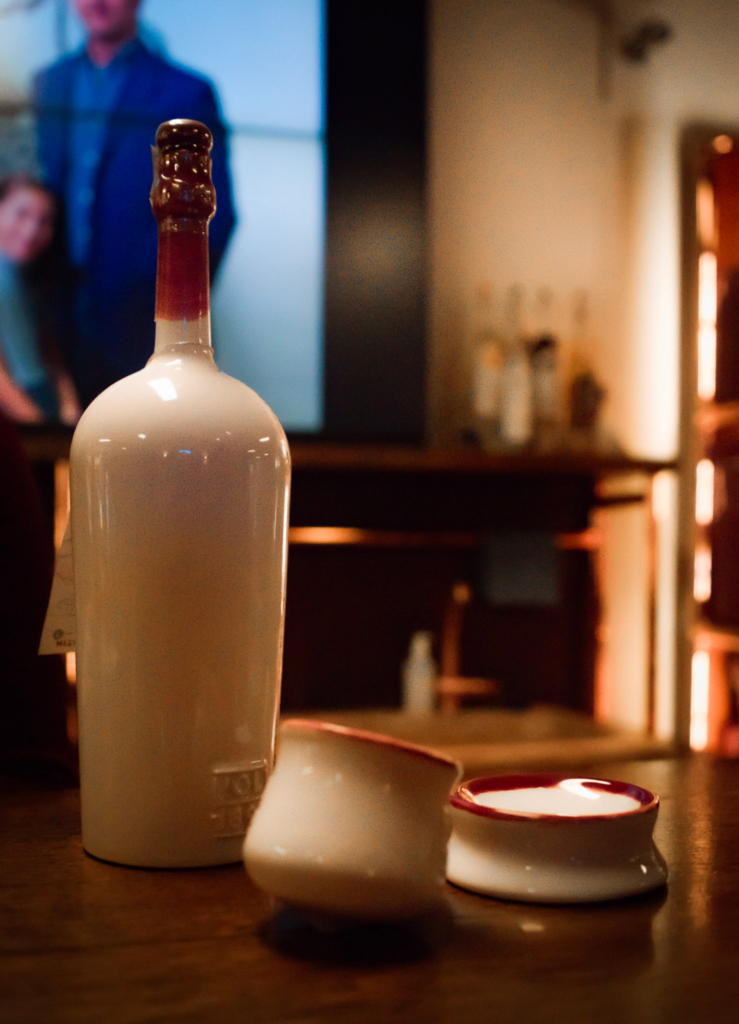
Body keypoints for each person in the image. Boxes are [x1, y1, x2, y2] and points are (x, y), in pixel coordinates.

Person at [33, 0, 236, 407]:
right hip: (54, 322)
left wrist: (169, 311)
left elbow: (218, 217)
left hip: (143, 324)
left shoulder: (186, 91)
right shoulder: (47, 83)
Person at [0, 174, 80, 424]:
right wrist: (38, 425)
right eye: (21, 213)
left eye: (44, 221)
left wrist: (68, 403)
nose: (32, 229)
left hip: (45, 401)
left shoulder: (29, 281)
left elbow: (48, 347)